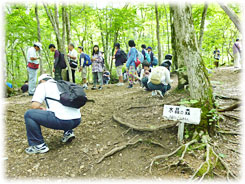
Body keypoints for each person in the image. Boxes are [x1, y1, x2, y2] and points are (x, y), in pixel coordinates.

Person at [24, 74, 81, 154]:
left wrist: (40, 109)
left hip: (62, 121)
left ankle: (38, 145)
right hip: (77, 120)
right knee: (62, 110)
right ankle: (68, 132)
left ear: (41, 81)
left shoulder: (43, 85)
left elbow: (34, 105)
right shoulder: (62, 85)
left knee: (29, 114)